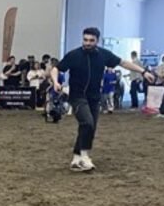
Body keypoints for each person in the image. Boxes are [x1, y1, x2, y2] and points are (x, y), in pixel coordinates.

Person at [51, 27, 154, 172]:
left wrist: (143, 71)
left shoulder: (103, 55)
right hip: (77, 96)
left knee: (89, 127)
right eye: (85, 40)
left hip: (94, 97)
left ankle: (76, 158)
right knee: (87, 122)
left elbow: (122, 63)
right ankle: (85, 156)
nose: (87, 43)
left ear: (97, 41)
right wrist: (56, 82)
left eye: (91, 40)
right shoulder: (73, 55)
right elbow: (56, 69)